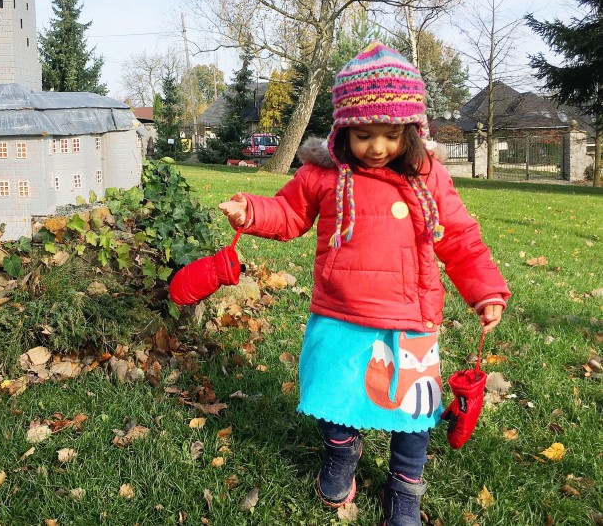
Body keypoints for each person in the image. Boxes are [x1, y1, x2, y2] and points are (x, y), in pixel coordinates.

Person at [218, 42, 509, 526]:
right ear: (342, 130)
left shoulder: (426, 178)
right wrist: (251, 210)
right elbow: (289, 213)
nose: (377, 147)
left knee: (413, 411)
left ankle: (405, 486)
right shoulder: (324, 175)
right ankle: (340, 452)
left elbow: (458, 236)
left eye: (392, 134)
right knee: (337, 392)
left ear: (413, 130)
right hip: (340, 312)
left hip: (410, 317)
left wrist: (485, 288)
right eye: (364, 134)